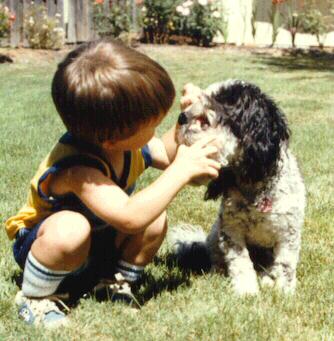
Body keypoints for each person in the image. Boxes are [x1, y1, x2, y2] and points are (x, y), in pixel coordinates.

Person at [5, 39, 220, 328]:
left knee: (155, 216)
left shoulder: (123, 145)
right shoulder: (78, 169)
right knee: (72, 227)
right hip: (49, 247)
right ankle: (35, 297)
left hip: (96, 243)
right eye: (152, 125)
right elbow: (130, 217)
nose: (157, 131)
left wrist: (188, 118)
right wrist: (180, 172)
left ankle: (113, 282)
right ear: (112, 140)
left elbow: (167, 153)